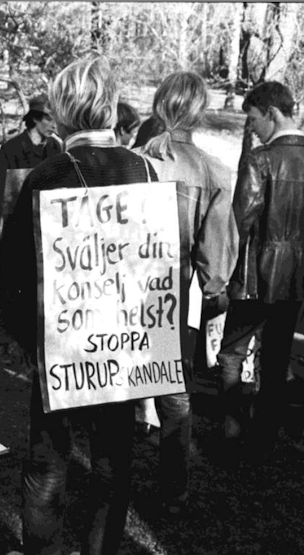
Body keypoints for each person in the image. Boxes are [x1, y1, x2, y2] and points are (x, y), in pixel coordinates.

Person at [0, 57, 158, 555]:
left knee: (48, 463)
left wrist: (19, 339)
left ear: (63, 112)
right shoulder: (146, 170)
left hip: (60, 346)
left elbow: (16, 273)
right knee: (112, 463)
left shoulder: (46, 175)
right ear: (109, 107)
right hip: (123, 347)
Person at [136, 71, 239, 514]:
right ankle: (173, 492)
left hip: (115, 295)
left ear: (160, 105)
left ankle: (111, 486)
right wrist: (213, 287)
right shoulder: (214, 171)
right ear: (199, 111)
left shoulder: (132, 161)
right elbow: (216, 263)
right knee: (175, 397)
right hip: (173, 300)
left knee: (118, 394)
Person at [215, 81, 304, 458]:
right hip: (296, 279)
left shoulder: (261, 159)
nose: (250, 127)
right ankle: (265, 436)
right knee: (277, 355)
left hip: (255, 278)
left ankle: (232, 430)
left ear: (271, 113)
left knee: (232, 353)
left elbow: (240, 224)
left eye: (252, 119)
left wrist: (223, 275)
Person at [0, 93, 62, 238]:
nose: (54, 125)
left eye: (56, 119)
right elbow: (1, 192)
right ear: (35, 118)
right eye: (48, 119)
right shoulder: (11, 149)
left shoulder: (56, 147)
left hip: (48, 226)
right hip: (19, 225)